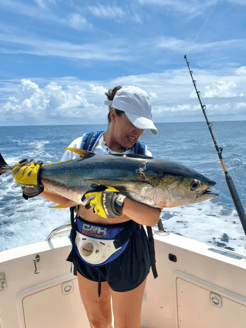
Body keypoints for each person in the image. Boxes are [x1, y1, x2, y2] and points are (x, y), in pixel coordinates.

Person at [12, 85, 162, 328]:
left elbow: (151, 218)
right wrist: (37, 188)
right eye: (133, 123)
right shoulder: (83, 145)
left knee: (127, 325)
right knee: (97, 321)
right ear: (114, 114)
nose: (137, 133)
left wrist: (119, 203)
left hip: (127, 246)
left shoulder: (143, 158)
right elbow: (69, 199)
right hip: (85, 241)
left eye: (142, 127)